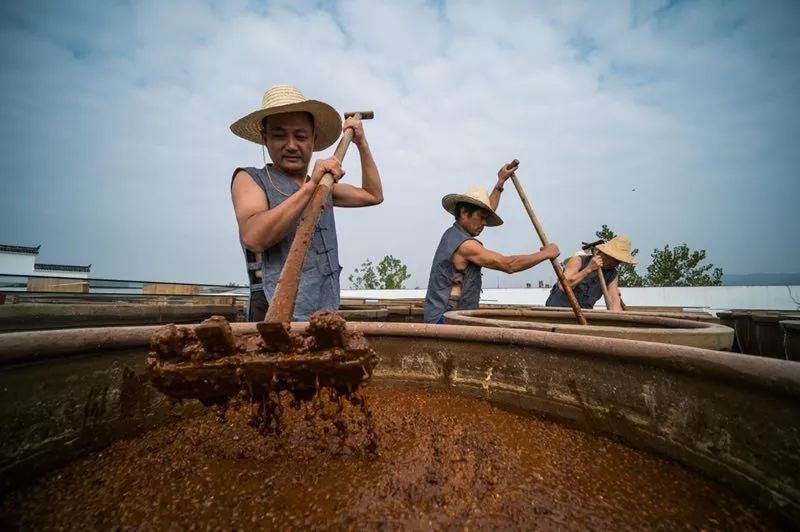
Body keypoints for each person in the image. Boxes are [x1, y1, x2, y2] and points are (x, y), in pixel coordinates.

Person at [229, 85, 383, 321]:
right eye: (279, 135)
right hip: (272, 312)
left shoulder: (325, 186)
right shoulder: (250, 179)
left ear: (313, 139)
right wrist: (310, 188)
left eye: (300, 136)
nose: (291, 145)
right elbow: (254, 237)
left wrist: (361, 143)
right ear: (264, 138)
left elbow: (373, 195)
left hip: (323, 308)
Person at [423, 162, 560, 324]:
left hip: (449, 315)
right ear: (464, 213)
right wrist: (546, 253)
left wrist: (500, 183)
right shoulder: (466, 245)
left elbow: (487, 210)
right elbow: (509, 264)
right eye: (481, 218)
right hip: (444, 319)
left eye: (485, 219)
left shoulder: (455, 232)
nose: (484, 223)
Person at [545, 236, 637, 311]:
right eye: (615, 260)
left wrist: (619, 321)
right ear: (606, 254)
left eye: (619, 262)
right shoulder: (578, 260)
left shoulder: (612, 274)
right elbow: (564, 286)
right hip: (557, 311)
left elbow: (613, 299)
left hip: (584, 315)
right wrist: (588, 269)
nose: (616, 264)